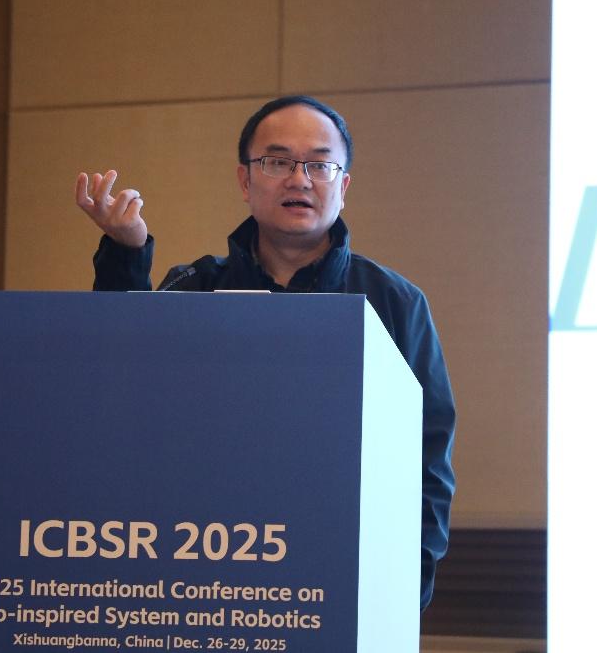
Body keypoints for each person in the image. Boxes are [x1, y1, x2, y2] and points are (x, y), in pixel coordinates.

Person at [75, 95, 456, 610]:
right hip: (210, 577)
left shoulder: (394, 303)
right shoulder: (196, 287)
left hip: (343, 576)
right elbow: (124, 389)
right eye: (277, 162)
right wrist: (126, 253)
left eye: (319, 164)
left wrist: (407, 587)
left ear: (343, 186)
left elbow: (428, 458)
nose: (299, 179)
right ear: (245, 181)